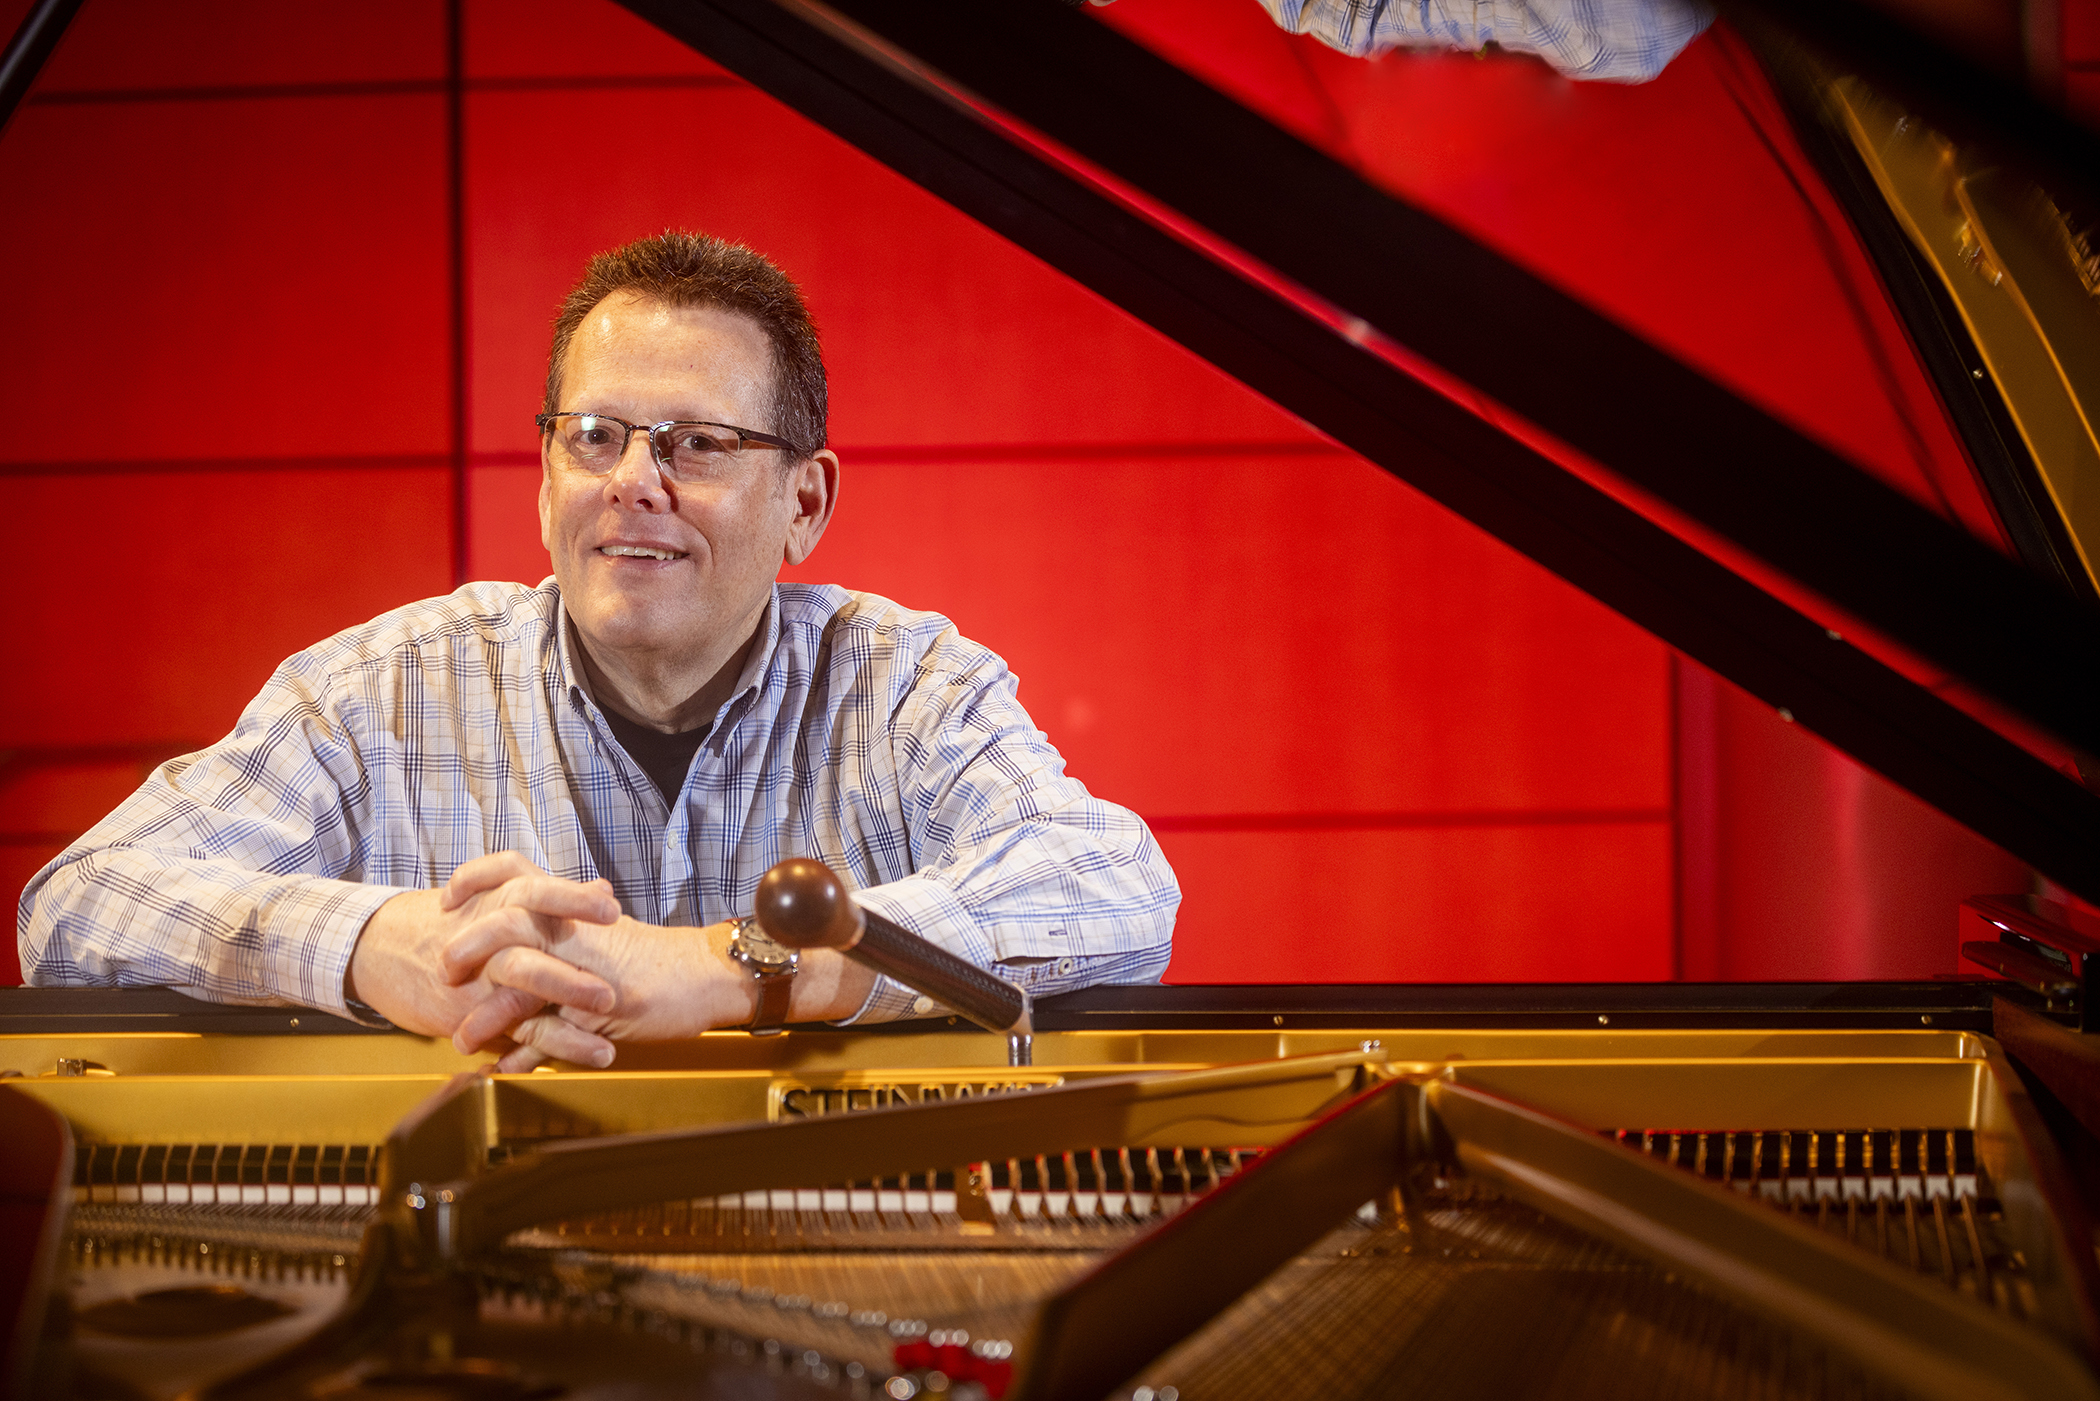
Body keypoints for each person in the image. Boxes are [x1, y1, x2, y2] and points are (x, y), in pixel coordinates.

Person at [16, 232, 1179, 1070]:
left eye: (699, 443)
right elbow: (76, 907)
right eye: (596, 436)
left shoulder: (905, 685)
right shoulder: (377, 693)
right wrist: (380, 945)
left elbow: (1114, 889)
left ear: (806, 505)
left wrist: (729, 969)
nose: (634, 482)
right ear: (547, 482)